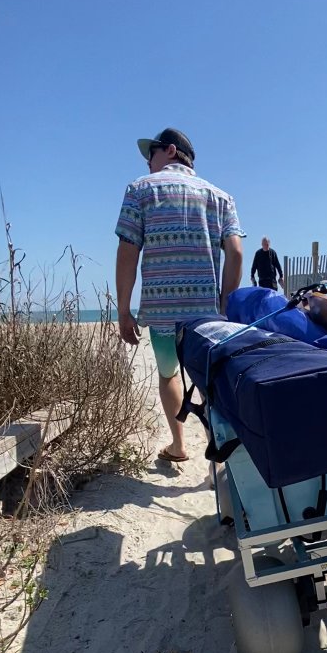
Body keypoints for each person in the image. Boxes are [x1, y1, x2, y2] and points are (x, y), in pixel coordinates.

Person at [115, 127, 245, 463]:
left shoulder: (139, 190)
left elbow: (128, 251)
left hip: (161, 314)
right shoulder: (221, 196)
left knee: (168, 374)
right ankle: (219, 458)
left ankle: (178, 445)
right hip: (207, 316)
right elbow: (236, 253)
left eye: (152, 153)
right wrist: (225, 302)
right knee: (210, 384)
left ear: (171, 151)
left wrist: (124, 310)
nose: (148, 162)